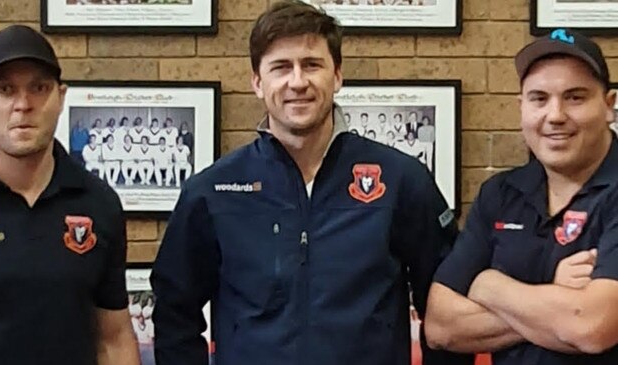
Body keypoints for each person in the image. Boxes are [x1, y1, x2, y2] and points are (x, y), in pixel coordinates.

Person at [150, 2, 471, 365]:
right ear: (258, 82)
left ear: (337, 76)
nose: (297, 81)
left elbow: (448, 306)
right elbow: (175, 314)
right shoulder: (212, 192)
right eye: (281, 67)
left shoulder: (401, 181)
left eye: (312, 64)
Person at [425, 28, 618, 364]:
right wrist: (554, 292)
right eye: (539, 98)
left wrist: (490, 285)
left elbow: (592, 327)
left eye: (575, 97)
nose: (555, 115)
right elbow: (441, 327)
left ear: (609, 105)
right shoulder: (499, 193)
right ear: (522, 107)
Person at [0, 25, 139, 365]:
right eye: (5, 89)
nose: (23, 104)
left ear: (60, 97)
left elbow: (114, 337)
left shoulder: (98, 202)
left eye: (39, 88)